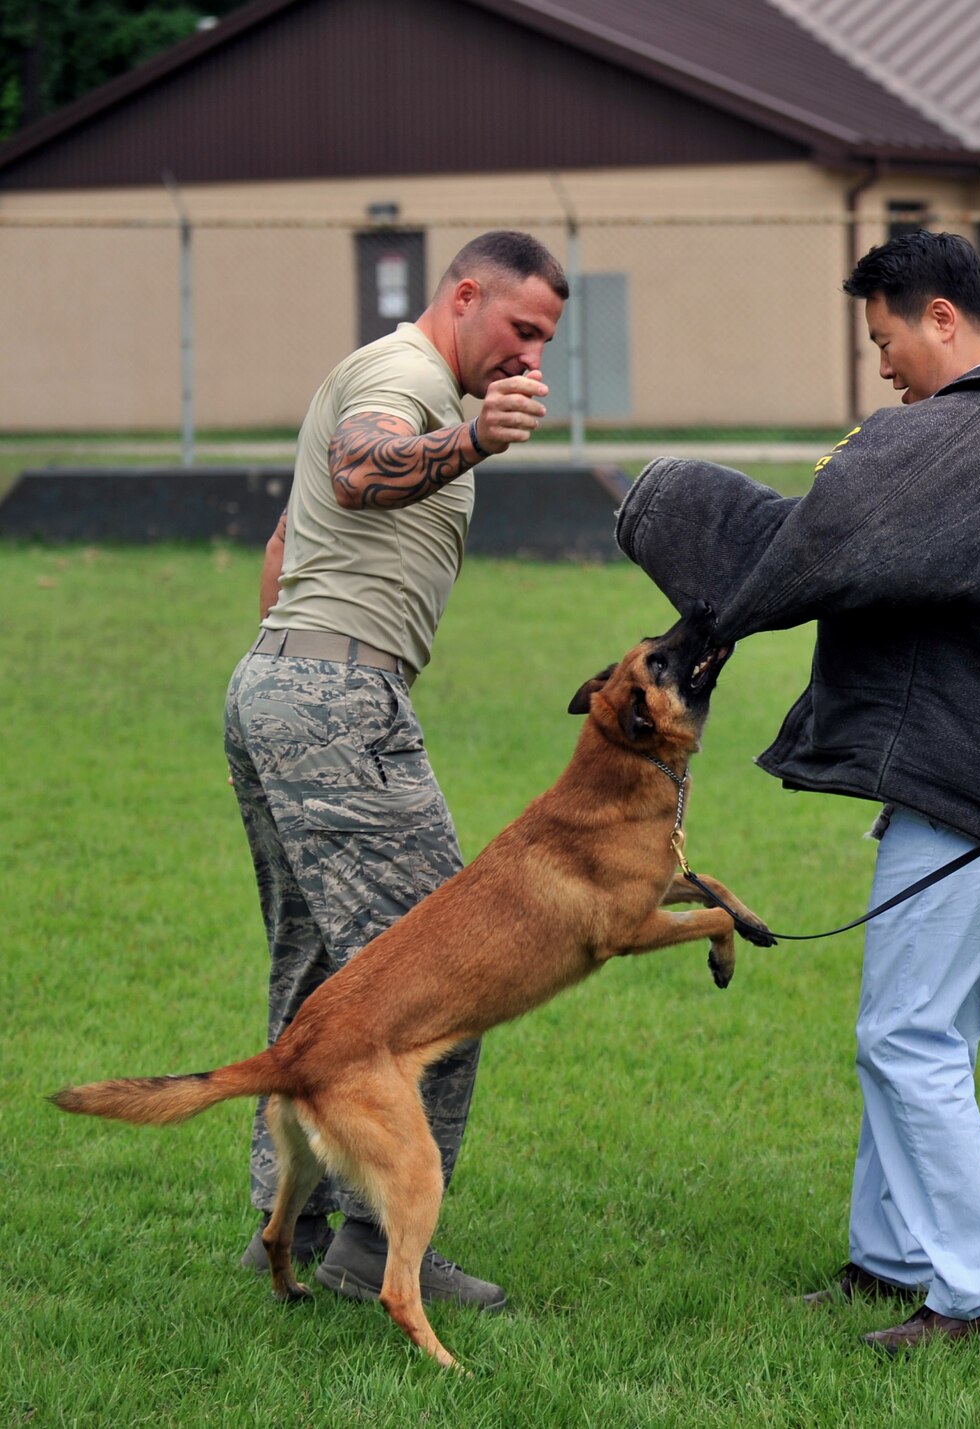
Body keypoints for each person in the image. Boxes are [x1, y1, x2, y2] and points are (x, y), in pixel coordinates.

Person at [615, 230, 980, 1350]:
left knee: (905, 1035)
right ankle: (890, 1258)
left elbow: (824, 541)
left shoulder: (967, 444)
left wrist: (697, 567)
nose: (883, 368)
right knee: (923, 1035)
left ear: (944, 319)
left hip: (971, 797)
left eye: (887, 339)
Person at [226, 230, 566, 1308]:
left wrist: (291, 671)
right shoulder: (405, 376)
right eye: (519, 331)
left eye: (545, 343)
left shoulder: (383, 371)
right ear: (463, 295)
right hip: (334, 702)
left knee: (320, 976)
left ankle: (283, 1227)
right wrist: (471, 441)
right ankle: (375, 1245)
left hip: (280, 687)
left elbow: (287, 541)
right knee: (449, 979)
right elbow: (359, 470)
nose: (527, 359)